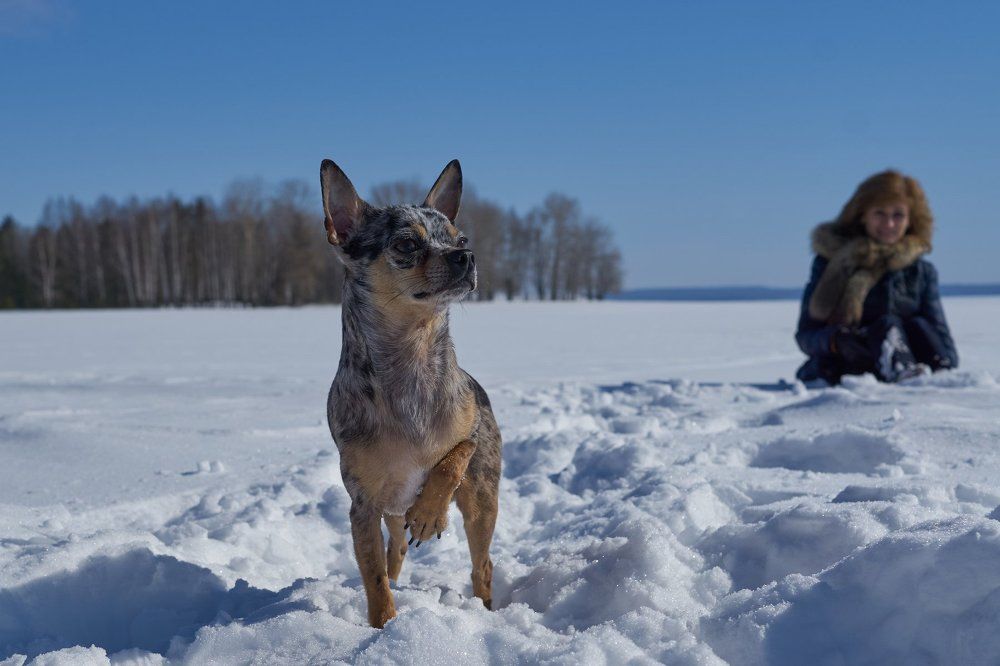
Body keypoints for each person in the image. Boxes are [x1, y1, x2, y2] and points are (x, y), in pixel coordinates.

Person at [796, 170, 958, 384]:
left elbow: (945, 346)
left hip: (913, 372)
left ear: (911, 220)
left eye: (898, 215)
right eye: (880, 213)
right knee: (885, 326)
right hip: (849, 371)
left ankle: (906, 370)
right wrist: (836, 341)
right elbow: (806, 335)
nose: (889, 224)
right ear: (862, 215)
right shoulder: (830, 262)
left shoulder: (921, 272)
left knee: (911, 326)